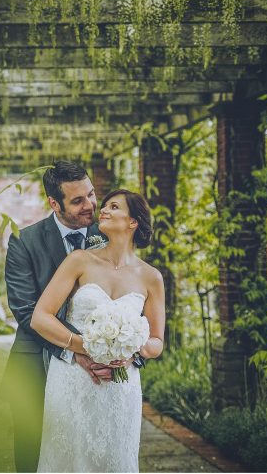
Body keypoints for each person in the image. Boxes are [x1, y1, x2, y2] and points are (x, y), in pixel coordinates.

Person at [31, 189, 166, 473]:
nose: (102, 210)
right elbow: (41, 318)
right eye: (104, 206)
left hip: (119, 387)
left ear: (133, 222)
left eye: (114, 207)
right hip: (72, 381)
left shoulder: (151, 277)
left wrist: (130, 351)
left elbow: (156, 342)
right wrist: (87, 348)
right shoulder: (79, 260)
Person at [0, 161, 116, 473]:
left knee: (89, 454)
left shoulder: (110, 238)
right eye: (77, 200)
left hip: (97, 373)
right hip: (34, 366)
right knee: (33, 454)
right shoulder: (25, 242)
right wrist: (79, 349)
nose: (90, 205)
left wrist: (122, 353)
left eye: (91, 194)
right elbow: (26, 311)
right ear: (54, 203)